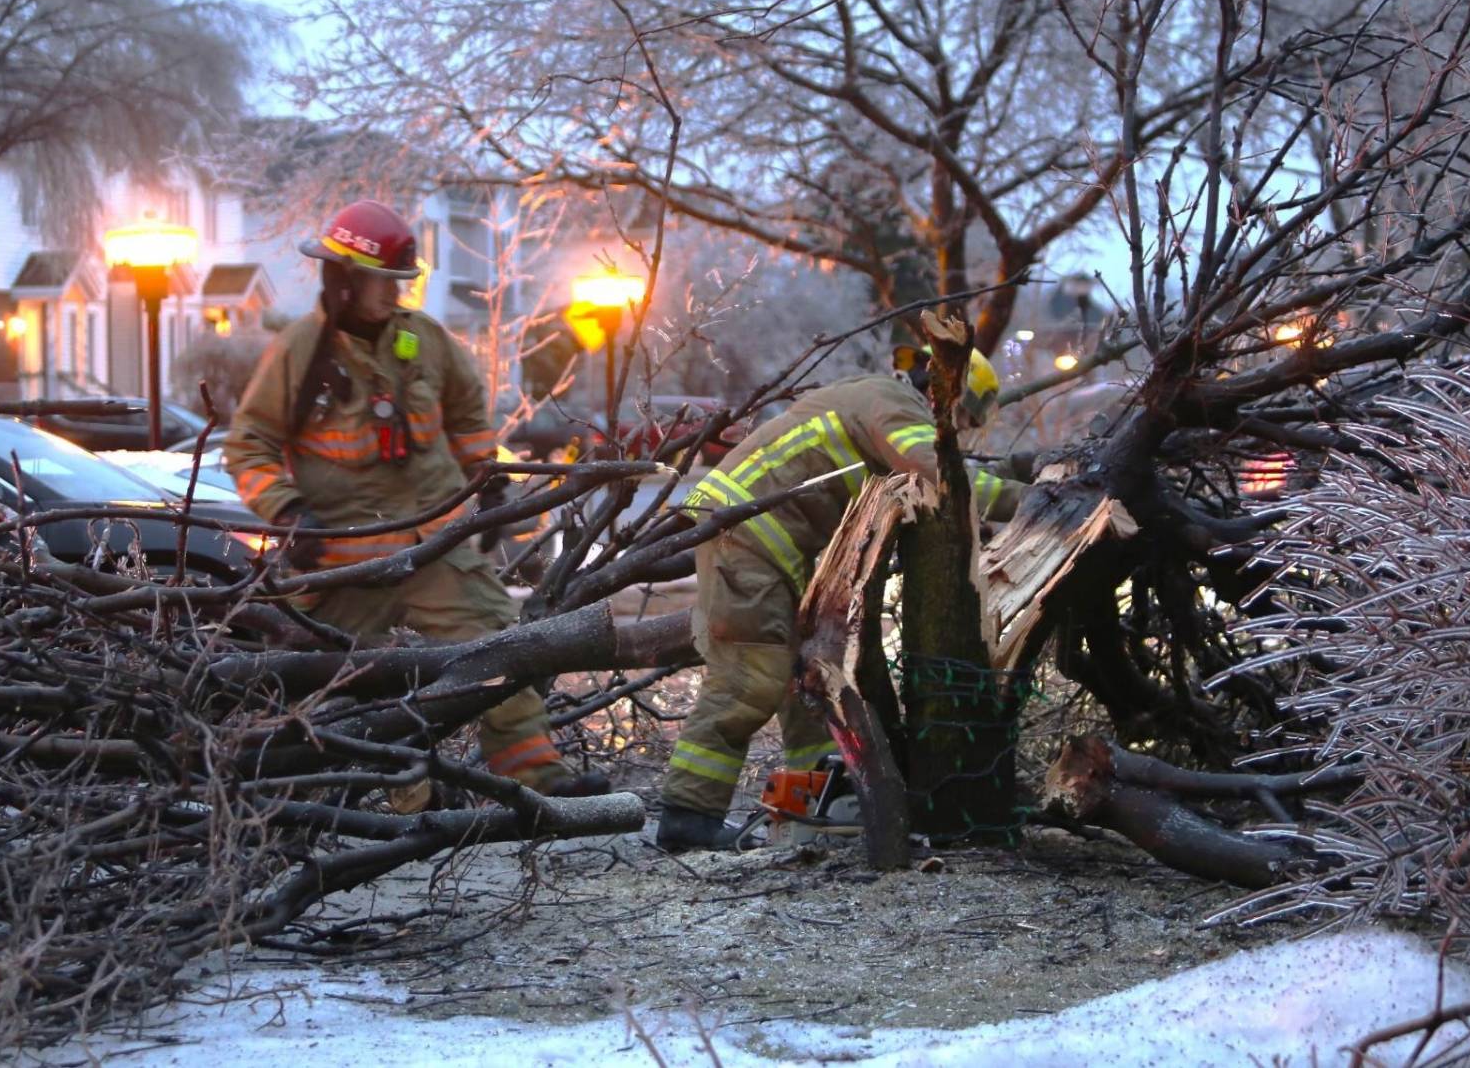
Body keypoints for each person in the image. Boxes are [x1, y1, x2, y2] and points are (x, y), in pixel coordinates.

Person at [225, 199, 607, 798]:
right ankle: (294, 789)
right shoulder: (300, 352)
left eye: (401, 281)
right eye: (383, 280)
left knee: (501, 649)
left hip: (435, 550)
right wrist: (289, 514)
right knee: (318, 681)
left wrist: (491, 484)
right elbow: (248, 445)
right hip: (343, 564)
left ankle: (539, 782)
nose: (395, 293)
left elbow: (466, 417)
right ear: (345, 277)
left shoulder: (425, 341)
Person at [655, 350, 1026, 850]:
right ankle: (687, 817)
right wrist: (1031, 501)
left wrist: (1015, 472)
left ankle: (815, 802)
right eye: (960, 418)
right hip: (746, 539)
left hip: (758, 540)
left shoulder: (870, 398)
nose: (955, 431)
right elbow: (940, 473)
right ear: (944, 394)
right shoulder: (894, 405)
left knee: (808, 681)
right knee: (748, 678)